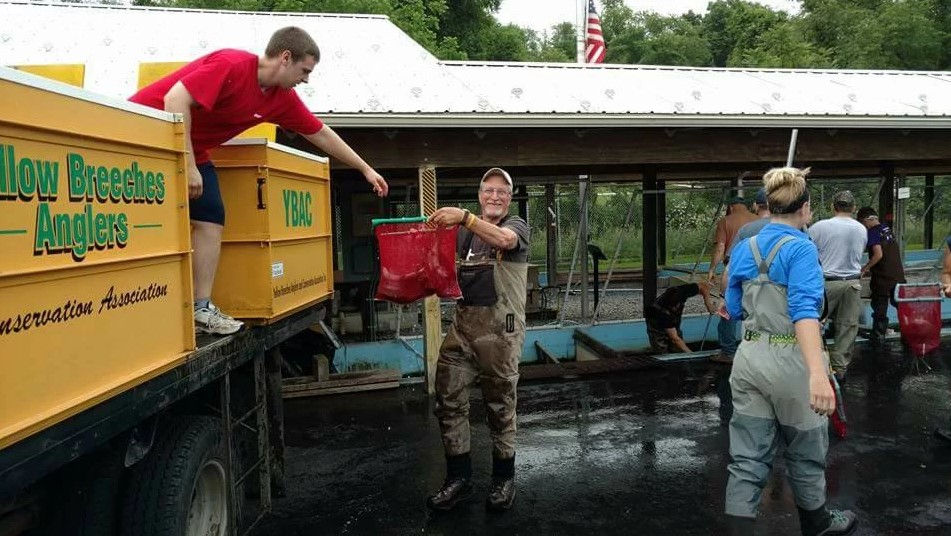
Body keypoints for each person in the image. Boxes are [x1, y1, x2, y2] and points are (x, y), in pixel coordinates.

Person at [129, 27, 388, 335]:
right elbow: (174, 100)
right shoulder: (232, 65)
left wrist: (365, 168)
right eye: (304, 71)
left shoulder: (281, 99)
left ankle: (200, 309)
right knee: (148, 221)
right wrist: (187, 164)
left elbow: (319, 132)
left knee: (211, 216)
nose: (306, 79)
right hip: (143, 133)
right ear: (285, 57)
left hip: (192, 149)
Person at [724, 167, 857, 536]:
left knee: (747, 457)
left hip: (748, 358)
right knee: (806, 448)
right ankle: (817, 525)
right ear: (805, 208)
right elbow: (804, 313)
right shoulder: (801, 248)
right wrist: (818, 374)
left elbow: (733, 308)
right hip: (792, 362)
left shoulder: (745, 247)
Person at [425, 168, 530, 512]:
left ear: (509, 198)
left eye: (502, 191)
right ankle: (459, 479)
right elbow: (439, 268)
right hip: (463, 331)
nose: (495, 196)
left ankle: (503, 479)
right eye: (489, 190)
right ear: (481, 194)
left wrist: (465, 217)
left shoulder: (517, 227)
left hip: (501, 333)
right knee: (449, 400)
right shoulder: (464, 237)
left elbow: (504, 241)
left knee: (500, 408)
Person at [807, 191, 866, 381]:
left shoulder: (819, 227)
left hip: (826, 283)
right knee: (847, 327)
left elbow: (808, 252)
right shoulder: (861, 229)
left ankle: (814, 365)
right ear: (854, 208)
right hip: (853, 283)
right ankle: (839, 370)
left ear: (834, 207)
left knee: (814, 322)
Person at [714, 188, 772, 364]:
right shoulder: (793, 229)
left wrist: (723, 296)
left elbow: (724, 255)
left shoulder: (743, 228)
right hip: (778, 290)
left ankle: (729, 351)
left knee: (730, 315)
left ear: (756, 205)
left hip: (747, 283)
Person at [856, 207, 906, 347]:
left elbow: (878, 254)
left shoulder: (873, 232)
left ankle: (878, 335)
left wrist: (866, 268)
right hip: (897, 274)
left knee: (880, 305)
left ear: (867, 220)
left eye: (862, 223)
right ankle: (908, 329)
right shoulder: (886, 229)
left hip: (883, 276)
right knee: (901, 304)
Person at [645, 281, 717, 354]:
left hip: (669, 317)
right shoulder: (665, 315)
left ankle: (679, 353)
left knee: (678, 347)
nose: (677, 307)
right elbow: (674, 338)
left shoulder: (681, 291)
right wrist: (690, 353)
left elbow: (703, 286)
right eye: (675, 307)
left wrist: (708, 304)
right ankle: (664, 359)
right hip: (655, 319)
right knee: (661, 349)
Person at [708, 196, 759, 284]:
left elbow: (720, 248)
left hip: (734, 263)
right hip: (756, 262)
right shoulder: (758, 219)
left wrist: (712, 269)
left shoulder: (725, 221)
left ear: (731, 207)